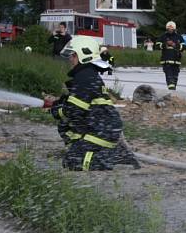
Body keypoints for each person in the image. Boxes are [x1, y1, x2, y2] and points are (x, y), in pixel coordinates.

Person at [54, 36, 132, 171]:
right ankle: (93, 151)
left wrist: (57, 110)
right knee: (65, 127)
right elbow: (78, 106)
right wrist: (61, 103)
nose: (70, 59)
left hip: (101, 131)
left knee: (72, 161)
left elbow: (75, 110)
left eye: (73, 55)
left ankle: (114, 159)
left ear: (82, 55)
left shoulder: (84, 76)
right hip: (101, 128)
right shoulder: (87, 74)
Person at [157, 21, 183, 90]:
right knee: (169, 78)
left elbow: (185, 46)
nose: (170, 30)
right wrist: (165, 44)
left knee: (175, 78)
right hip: (166, 61)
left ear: (174, 29)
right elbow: (157, 45)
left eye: (171, 29)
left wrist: (176, 45)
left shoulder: (179, 37)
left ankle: (173, 92)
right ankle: (172, 91)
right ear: (167, 29)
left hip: (176, 61)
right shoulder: (163, 36)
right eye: (169, 29)